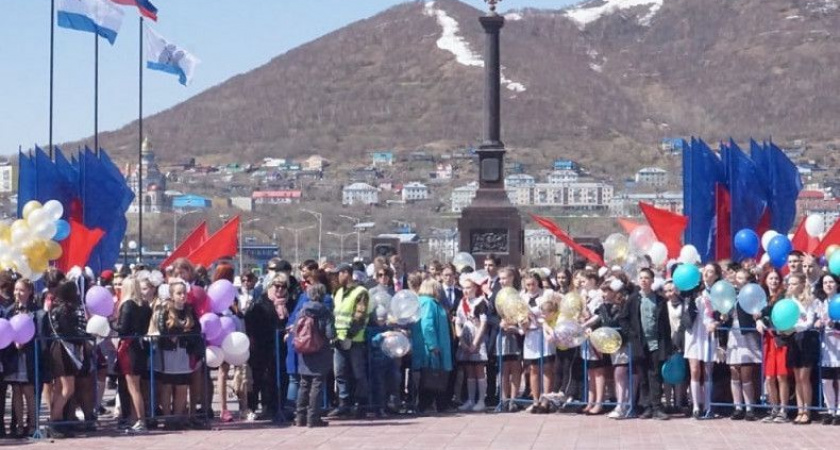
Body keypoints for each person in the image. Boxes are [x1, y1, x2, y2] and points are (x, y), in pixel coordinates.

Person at [155, 279, 202, 430]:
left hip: (184, 352)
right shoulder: (165, 310)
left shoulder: (189, 310)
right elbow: (164, 332)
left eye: (184, 293)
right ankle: (168, 418)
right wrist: (182, 333)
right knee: (167, 385)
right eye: (179, 293)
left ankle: (177, 417)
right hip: (169, 353)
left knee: (182, 386)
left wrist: (183, 334)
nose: (182, 296)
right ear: (171, 295)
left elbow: (196, 330)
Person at [2, 278, 44, 438]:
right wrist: (13, 342)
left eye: (21, 290)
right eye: (15, 290)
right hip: (14, 356)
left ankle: (33, 424)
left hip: (29, 356)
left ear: (29, 292)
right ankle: (19, 425)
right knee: (16, 391)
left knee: (29, 390)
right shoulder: (9, 311)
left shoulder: (36, 312)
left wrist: (25, 341)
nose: (17, 293)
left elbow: (38, 334)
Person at [244, 273, 289, 421]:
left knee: (276, 377)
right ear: (270, 286)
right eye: (277, 286)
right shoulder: (260, 302)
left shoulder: (289, 302)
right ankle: (251, 407)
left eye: (283, 286)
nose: (280, 289)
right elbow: (250, 321)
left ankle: (272, 406)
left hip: (280, 345)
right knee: (258, 377)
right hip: (260, 344)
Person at [328, 263, 370, 418]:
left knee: (358, 374)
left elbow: (359, 315)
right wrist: (333, 335)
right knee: (340, 373)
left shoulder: (361, 292)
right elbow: (334, 316)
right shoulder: (337, 292)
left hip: (355, 340)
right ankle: (344, 403)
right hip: (338, 340)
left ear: (346, 273)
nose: (336, 277)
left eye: (338, 274)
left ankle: (361, 404)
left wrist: (349, 336)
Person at [46, 280, 86, 439]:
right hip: (63, 349)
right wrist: (82, 336)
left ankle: (58, 420)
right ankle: (54, 420)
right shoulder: (63, 310)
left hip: (61, 348)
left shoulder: (58, 307)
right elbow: (67, 331)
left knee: (59, 389)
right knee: (67, 388)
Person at [682, 263, 721, 420]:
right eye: (705, 271)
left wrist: (718, 322)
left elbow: (723, 312)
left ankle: (708, 405)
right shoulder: (694, 288)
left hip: (710, 331)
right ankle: (696, 406)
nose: (707, 274)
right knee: (694, 369)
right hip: (694, 330)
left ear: (716, 275)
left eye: (711, 271)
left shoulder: (719, 291)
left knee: (707, 370)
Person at [633, 268, 672, 420]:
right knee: (643, 376)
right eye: (641, 278)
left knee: (655, 375)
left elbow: (666, 325)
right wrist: (632, 334)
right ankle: (646, 406)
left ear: (652, 281)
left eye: (647, 278)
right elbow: (624, 318)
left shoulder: (660, 300)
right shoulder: (634, 299)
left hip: (656, 343)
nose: (643, 280)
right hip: (640, 344)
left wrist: (667, 345)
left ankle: (657, 406)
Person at [115, 276, 152, 433]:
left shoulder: (127, 305)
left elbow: (123, 328)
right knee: (136, 386)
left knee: (133, 387)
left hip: (129, 347)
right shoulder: (145, 306)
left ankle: (140, 420)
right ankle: (134, 418)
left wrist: (112, 324)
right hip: (140, 346)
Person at [295, 283, 335, 428]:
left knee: (304, 384)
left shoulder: (302, 310)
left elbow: (296, 329)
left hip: (304, 351)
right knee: (317, 385)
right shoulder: (325, 311)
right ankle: (313, 418)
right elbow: (330, 333)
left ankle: (300, 417)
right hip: (320, 350)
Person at [723, 268, 761, 421]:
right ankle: (737, 407)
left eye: (741, 278)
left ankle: (750, 408)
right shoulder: (730, 294)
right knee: (734, 370)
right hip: (733, 333)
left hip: (746, 333)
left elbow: (757, 311)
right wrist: (723, 315)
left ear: (747, 280)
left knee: (746, 372)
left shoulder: (752, 294)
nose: (737, 280)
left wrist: (757, 317)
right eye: (736, 277)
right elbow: (725, 313)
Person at [412, 278, 453, 413]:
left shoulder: (424, 302)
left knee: (429, 376)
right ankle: (427, 405)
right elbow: (427, 325)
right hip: (431, 348)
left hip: (428, 346)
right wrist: (432, 345)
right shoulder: (429, 303)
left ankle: (431, 404)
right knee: (431, 376)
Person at [756, 268, 791, 423]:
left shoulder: (783, 297)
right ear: (765, 280)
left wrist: (763, 317)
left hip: (781, 340)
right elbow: (757, 315)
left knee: (781, 375)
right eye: (771, 278)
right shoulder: (761, 298)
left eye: (776, 278)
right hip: (768, 341)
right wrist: (757, 320)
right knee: (769, 377)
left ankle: (784, 410)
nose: (774, 281)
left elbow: (774, 313)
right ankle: (774, 408)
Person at [786, 272, 820, 424]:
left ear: (801, 284)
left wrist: (795, 326)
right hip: (794, 340)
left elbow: (809, 322)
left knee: (804, 377)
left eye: (794, 283)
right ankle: (800, 410)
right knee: (797, 378)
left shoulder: (810, 300)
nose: (791, 286)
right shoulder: (788, 301)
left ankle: (808, 410)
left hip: (807, 339)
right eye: (789, 283)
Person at [455, 272, 490, 412]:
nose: (466, 290)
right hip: (466, 337)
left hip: (478, 338)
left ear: (475, 288)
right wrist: (461, 340)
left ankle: (481, 400)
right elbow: (458, 322)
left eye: (469, 287)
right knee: (469, 370)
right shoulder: (462, 302)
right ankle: (470, 399)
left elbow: (483, 324)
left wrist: (475, 343)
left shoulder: (481, 302)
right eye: (464, 287)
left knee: (479, 369)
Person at [817, 273, 840, 425]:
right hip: (826, 347)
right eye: (825, 282)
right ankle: (830, 409)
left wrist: (834, 325)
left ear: (837, 284)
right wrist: (818, 323)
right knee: (826, 380)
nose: (828, 285)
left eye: (831, 282)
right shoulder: (821, 303)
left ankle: (839, 411)